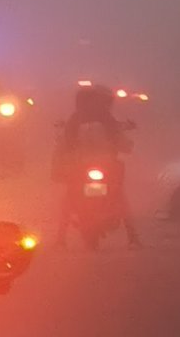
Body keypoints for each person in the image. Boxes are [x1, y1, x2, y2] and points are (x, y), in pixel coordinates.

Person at [54, 85, 141, 249]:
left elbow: (64, 145)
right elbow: (123, 144)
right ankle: (133, 237)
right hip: (106, 166)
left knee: (68, 198)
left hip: (79, 167)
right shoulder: (107, 119)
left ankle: (60, 239)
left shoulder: (75, 119)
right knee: (120, 197)